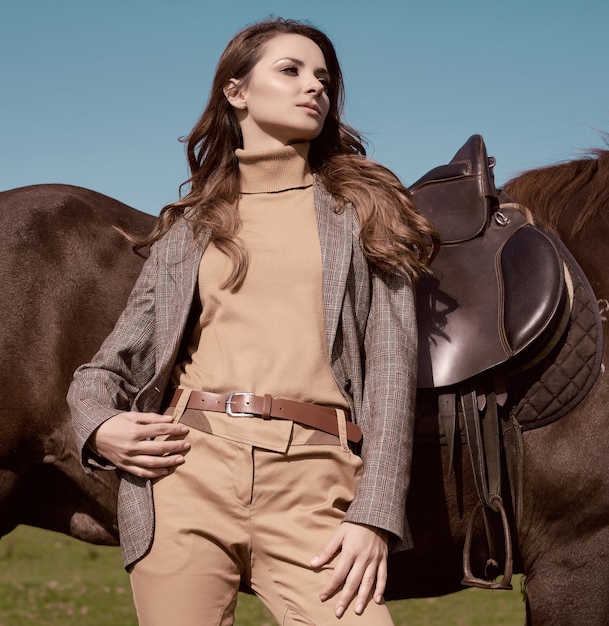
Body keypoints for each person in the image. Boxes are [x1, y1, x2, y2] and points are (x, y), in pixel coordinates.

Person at [67, 17, 438, 626]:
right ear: (236, 92)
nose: (313, 86)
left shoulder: (367, 212)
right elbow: (105, 368)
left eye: (323, 77)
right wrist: (99, 428)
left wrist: (373, 515)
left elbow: (392, 379)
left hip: (315, 489)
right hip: (187, 477)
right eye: (290, 71)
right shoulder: (189, 229)